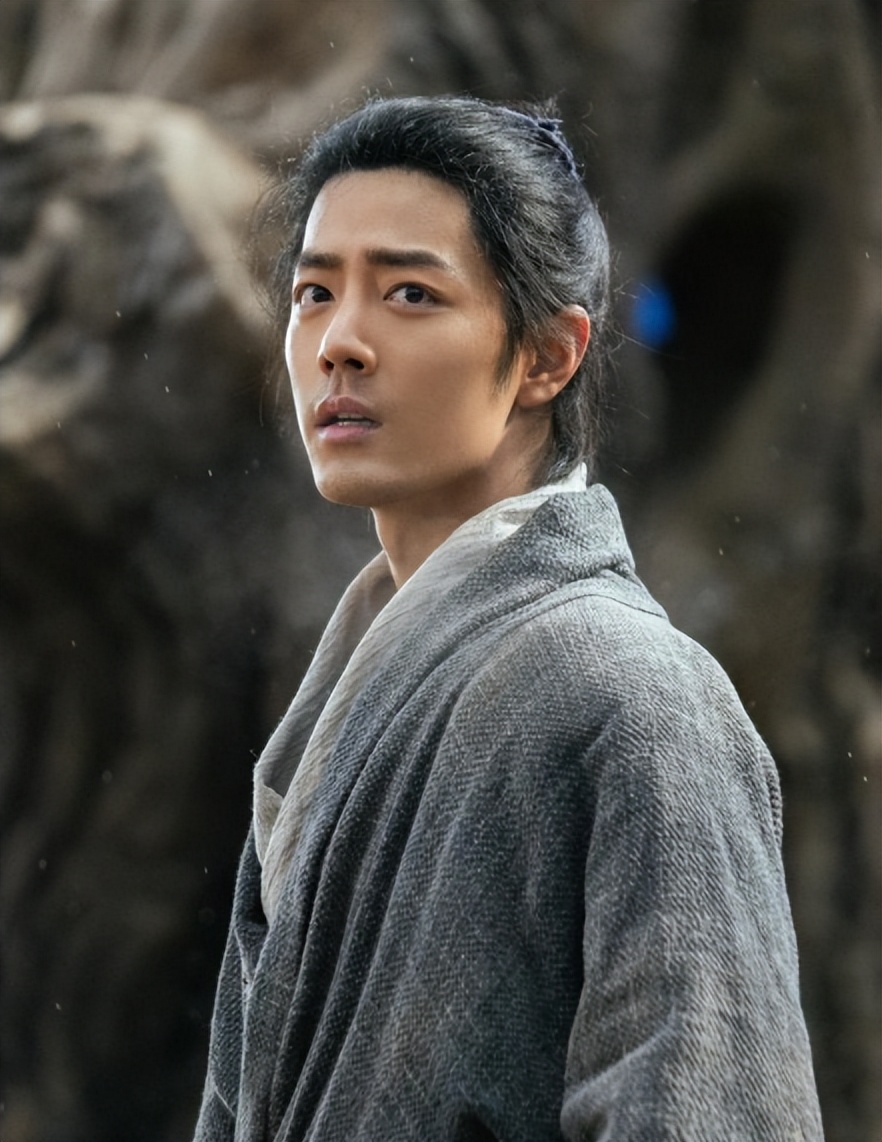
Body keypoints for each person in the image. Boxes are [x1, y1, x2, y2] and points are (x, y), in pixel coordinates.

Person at [194, 95, 823, 1141]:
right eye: (314, 292)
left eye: (410, 292)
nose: (340, 343)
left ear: (548, 355)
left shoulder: (632, 695)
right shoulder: (321, 728)